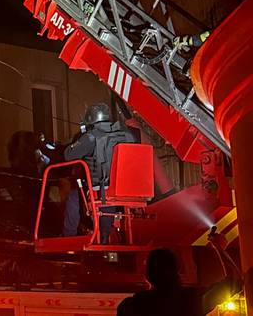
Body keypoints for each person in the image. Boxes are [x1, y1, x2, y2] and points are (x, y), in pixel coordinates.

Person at [62, 103, 136, 243]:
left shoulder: (91, 137)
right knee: (110, 197)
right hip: (126, 189)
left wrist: (81, 136)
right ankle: (106, 234)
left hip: (101, 189)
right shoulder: (127, 134)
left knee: (73, 197)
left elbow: (69, 155)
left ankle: (68, 238)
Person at [116, 244, 240, 316]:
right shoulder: (192, 299)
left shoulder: (132, 306)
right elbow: (235, 282)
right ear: (176, 271)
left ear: (148, 275)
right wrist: (219, 248)